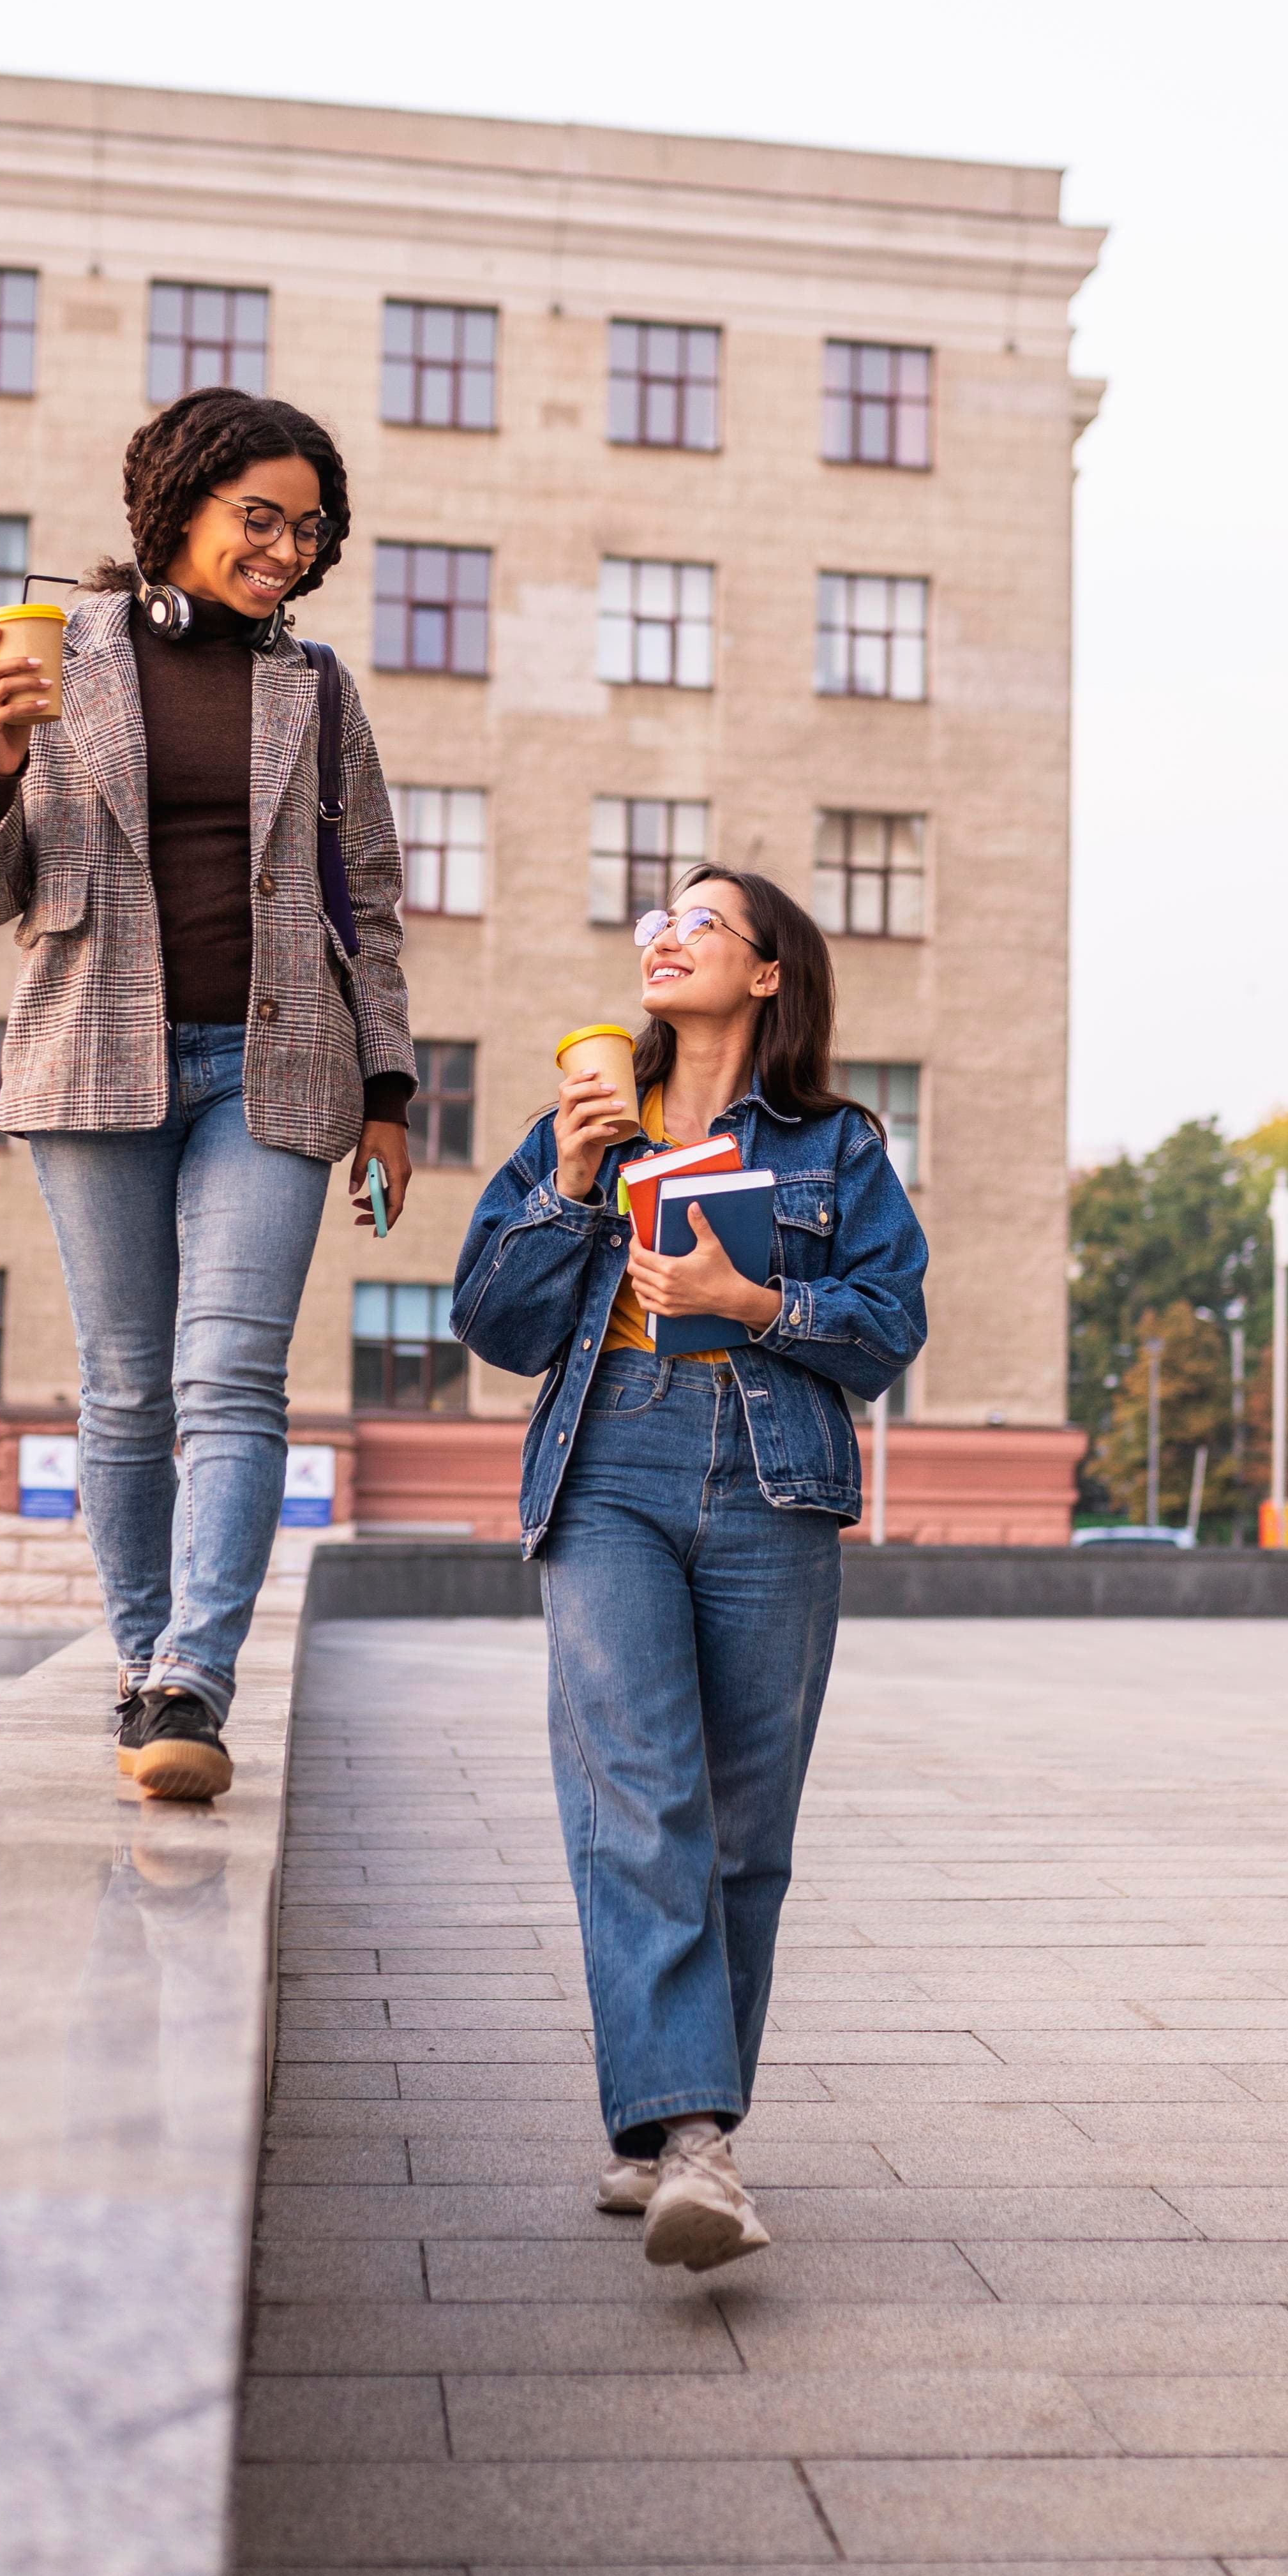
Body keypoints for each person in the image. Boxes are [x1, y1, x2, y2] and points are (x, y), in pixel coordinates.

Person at [0, 388, 415, 1804]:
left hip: (275, 1069)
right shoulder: (54, 654)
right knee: (127, 1387)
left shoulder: (315, 689)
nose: (283, 548)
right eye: (255, 518)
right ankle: (144, 1675)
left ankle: (197, 1676)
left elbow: (368, 901)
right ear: (180, 509)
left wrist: (388, 1090)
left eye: (306, 528)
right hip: (92, 1063)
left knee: (230, 1377)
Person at [452, 864, 926, 2270]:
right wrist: (578, 1177)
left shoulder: (834, 1147)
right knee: (636, 1790)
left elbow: (886, 1328)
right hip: (609, 1465)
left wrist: (749, 1298)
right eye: (656, 916)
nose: (663, 932)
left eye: (701, 919)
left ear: (767, 973)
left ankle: (660, 2133)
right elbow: (493, 1316)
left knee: (739, 1825)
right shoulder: (580, 1122)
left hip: (772, 1477)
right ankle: (694, 2140)